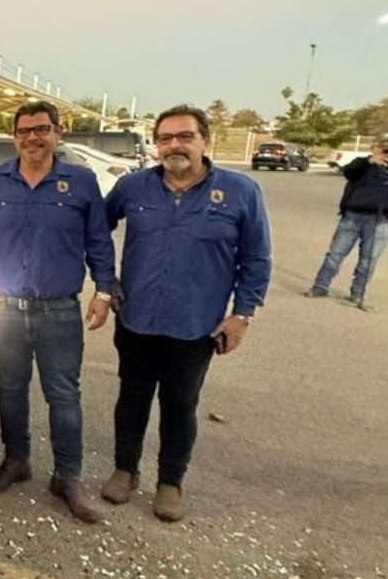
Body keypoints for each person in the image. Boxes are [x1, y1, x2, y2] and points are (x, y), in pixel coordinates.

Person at [0, 101, 116, 524]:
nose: (33, 138)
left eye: (41, 129)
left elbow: (99, 241)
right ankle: (17, 461)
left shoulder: (81, 182)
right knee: (10, 390)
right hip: (6, 309)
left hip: (58, 311)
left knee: (63, 396)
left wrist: (104, 291)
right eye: (24, 131)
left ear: (58, 133)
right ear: (15, 137)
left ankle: (68, 477)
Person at [99, 105, 271, 522]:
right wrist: (106, 283)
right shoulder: (132, 187)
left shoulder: (241, 191)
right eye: (165, 138)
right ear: (156, 145)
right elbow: (95, 230)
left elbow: (256, 258)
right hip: (137, 318)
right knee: (132, 398)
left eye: (184, 136)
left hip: (197, 324)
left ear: (204, 141)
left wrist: (242, 315)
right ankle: (125, 470)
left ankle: (170, 482)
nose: (174, 145)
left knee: (180, 405)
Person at [305, 133, 388, 310]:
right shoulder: (362, 163)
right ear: (373, 147)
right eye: (382, 146)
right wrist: (370, 161)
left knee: (368, 259)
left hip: (382, 220)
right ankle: (320, 287)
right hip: (353, 216)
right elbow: (348, 172)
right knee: (335, 254)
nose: (386, 151)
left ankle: (358, 294)